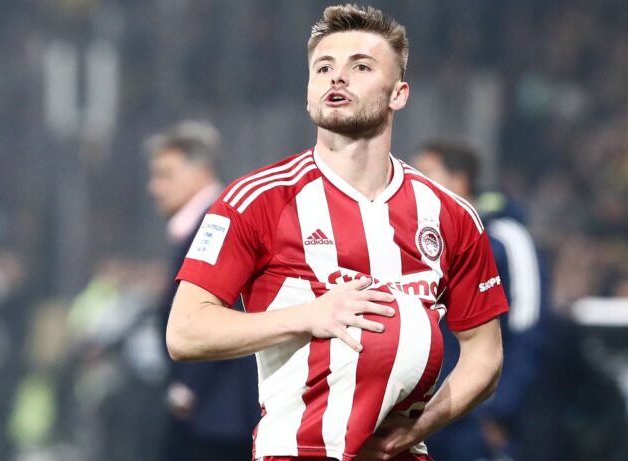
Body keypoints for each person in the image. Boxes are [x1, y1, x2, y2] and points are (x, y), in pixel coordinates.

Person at [167, 6, 508, 461]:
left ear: (398, 94)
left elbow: (485, 355)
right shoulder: (257, 200)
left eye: (361, 67)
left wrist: (419, 428)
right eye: (323, 68)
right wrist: (309, 315)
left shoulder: (452, 215)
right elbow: (185, 332)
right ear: (309, 90)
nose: (337, 78)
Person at [413, 142, 552, 461]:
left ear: (459, 181)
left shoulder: (506, 239)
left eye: (426, 173)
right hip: (419, 420)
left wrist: (500, 411)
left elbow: (528, 331)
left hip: (477, 423)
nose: (413, 183)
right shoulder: (413, 241)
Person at [146, 120, 259, 461]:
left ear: (201, 171)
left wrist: (189, 385)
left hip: (217, 415)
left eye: (166, 174)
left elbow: (225, 309)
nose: (155, 187)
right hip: (210, 412)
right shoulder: (206, 224)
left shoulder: (217, 223)